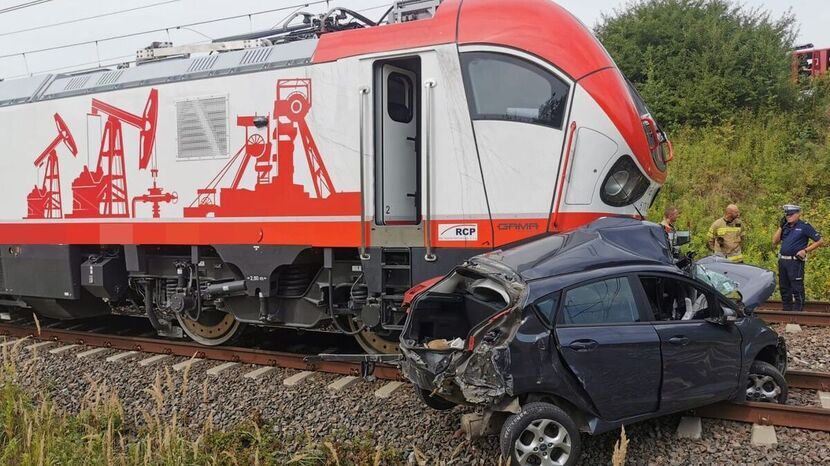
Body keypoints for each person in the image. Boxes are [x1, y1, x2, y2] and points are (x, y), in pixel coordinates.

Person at [773, 204, 824, 312]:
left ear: (798, 214)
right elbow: (775, 241)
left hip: (795, 261)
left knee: (796, 287)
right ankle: (786, 310)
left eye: (791, 214)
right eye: (787, 215)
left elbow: (820, 241)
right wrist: (780, 227)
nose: (788, 217)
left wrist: (805, 250)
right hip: (783, 261)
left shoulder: (804, 226)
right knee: (784, 287)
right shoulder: (785, 226)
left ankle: (798, 312)